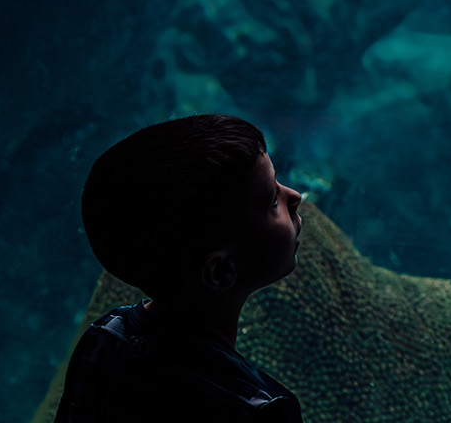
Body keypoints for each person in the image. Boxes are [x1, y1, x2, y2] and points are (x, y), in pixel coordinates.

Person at [56, 114, 306, 422]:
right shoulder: (261, 409)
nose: (293, 196)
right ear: (219, 272)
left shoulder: (105, 337)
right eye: (271, 200)